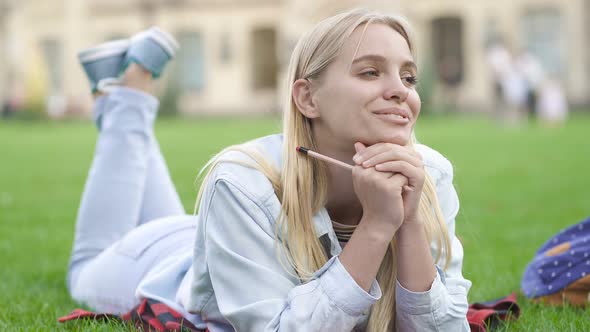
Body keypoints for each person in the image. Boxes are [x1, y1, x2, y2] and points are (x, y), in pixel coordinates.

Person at [66, 8, 471, 331]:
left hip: (231, 241)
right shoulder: (240, 182)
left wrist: (409, 223)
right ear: (307, 98)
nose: (401, 90)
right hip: (161, 259)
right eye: (370, 71)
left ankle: (118, 94)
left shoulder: (429, 175)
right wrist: (377, 227)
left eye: (408, 76)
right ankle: (130, 93)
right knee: (85, 267)